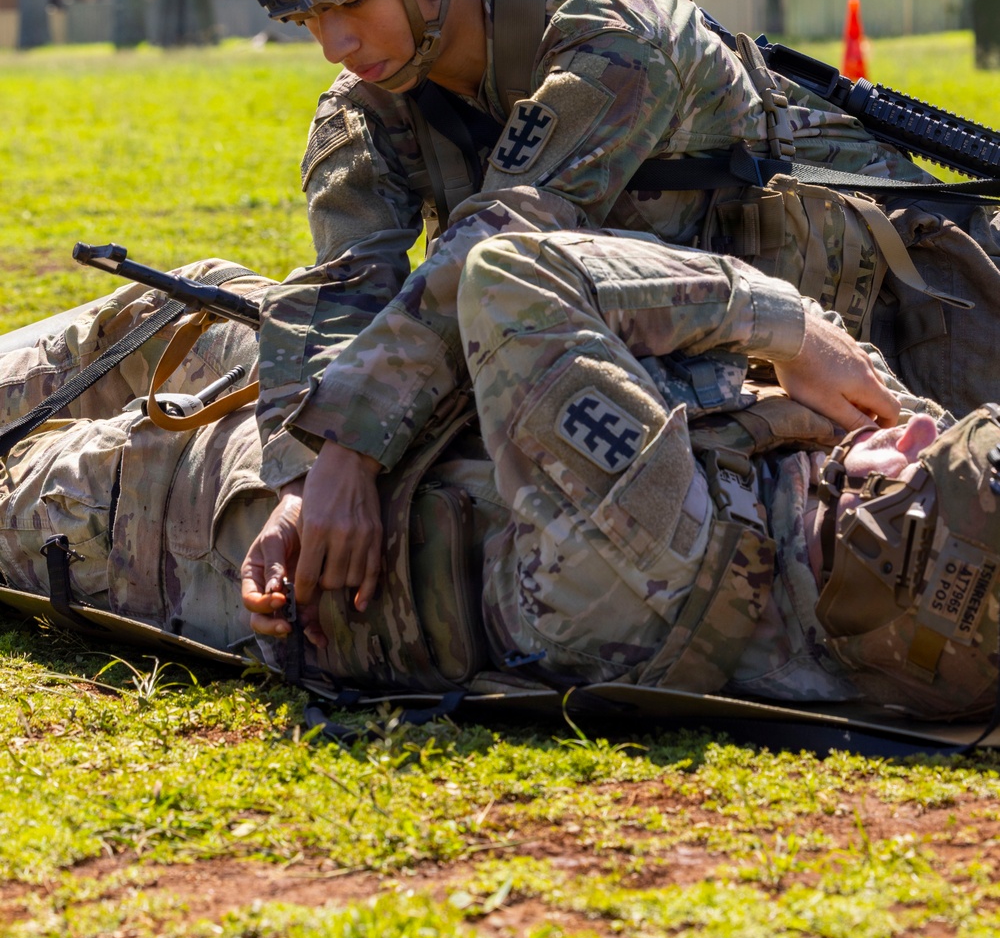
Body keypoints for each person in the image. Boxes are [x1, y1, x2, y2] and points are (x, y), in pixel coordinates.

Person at [220, 0, 1000, 629]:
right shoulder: (368, 107)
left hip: (927, 336)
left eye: (352, 0)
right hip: (741, 398)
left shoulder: (613, 42)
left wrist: (352, 450)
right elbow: (337, 290)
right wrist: (300, 482)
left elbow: (496, 248)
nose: (335, 44)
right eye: (309, 21)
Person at [0, 242, 996, 723]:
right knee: (136, 316)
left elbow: (507, 272)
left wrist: (782, 324)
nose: (912, 423)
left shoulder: (648, 534)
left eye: (913, 463)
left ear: (871, 541)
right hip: (323, 373)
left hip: (177, 502)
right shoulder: (851, 574)